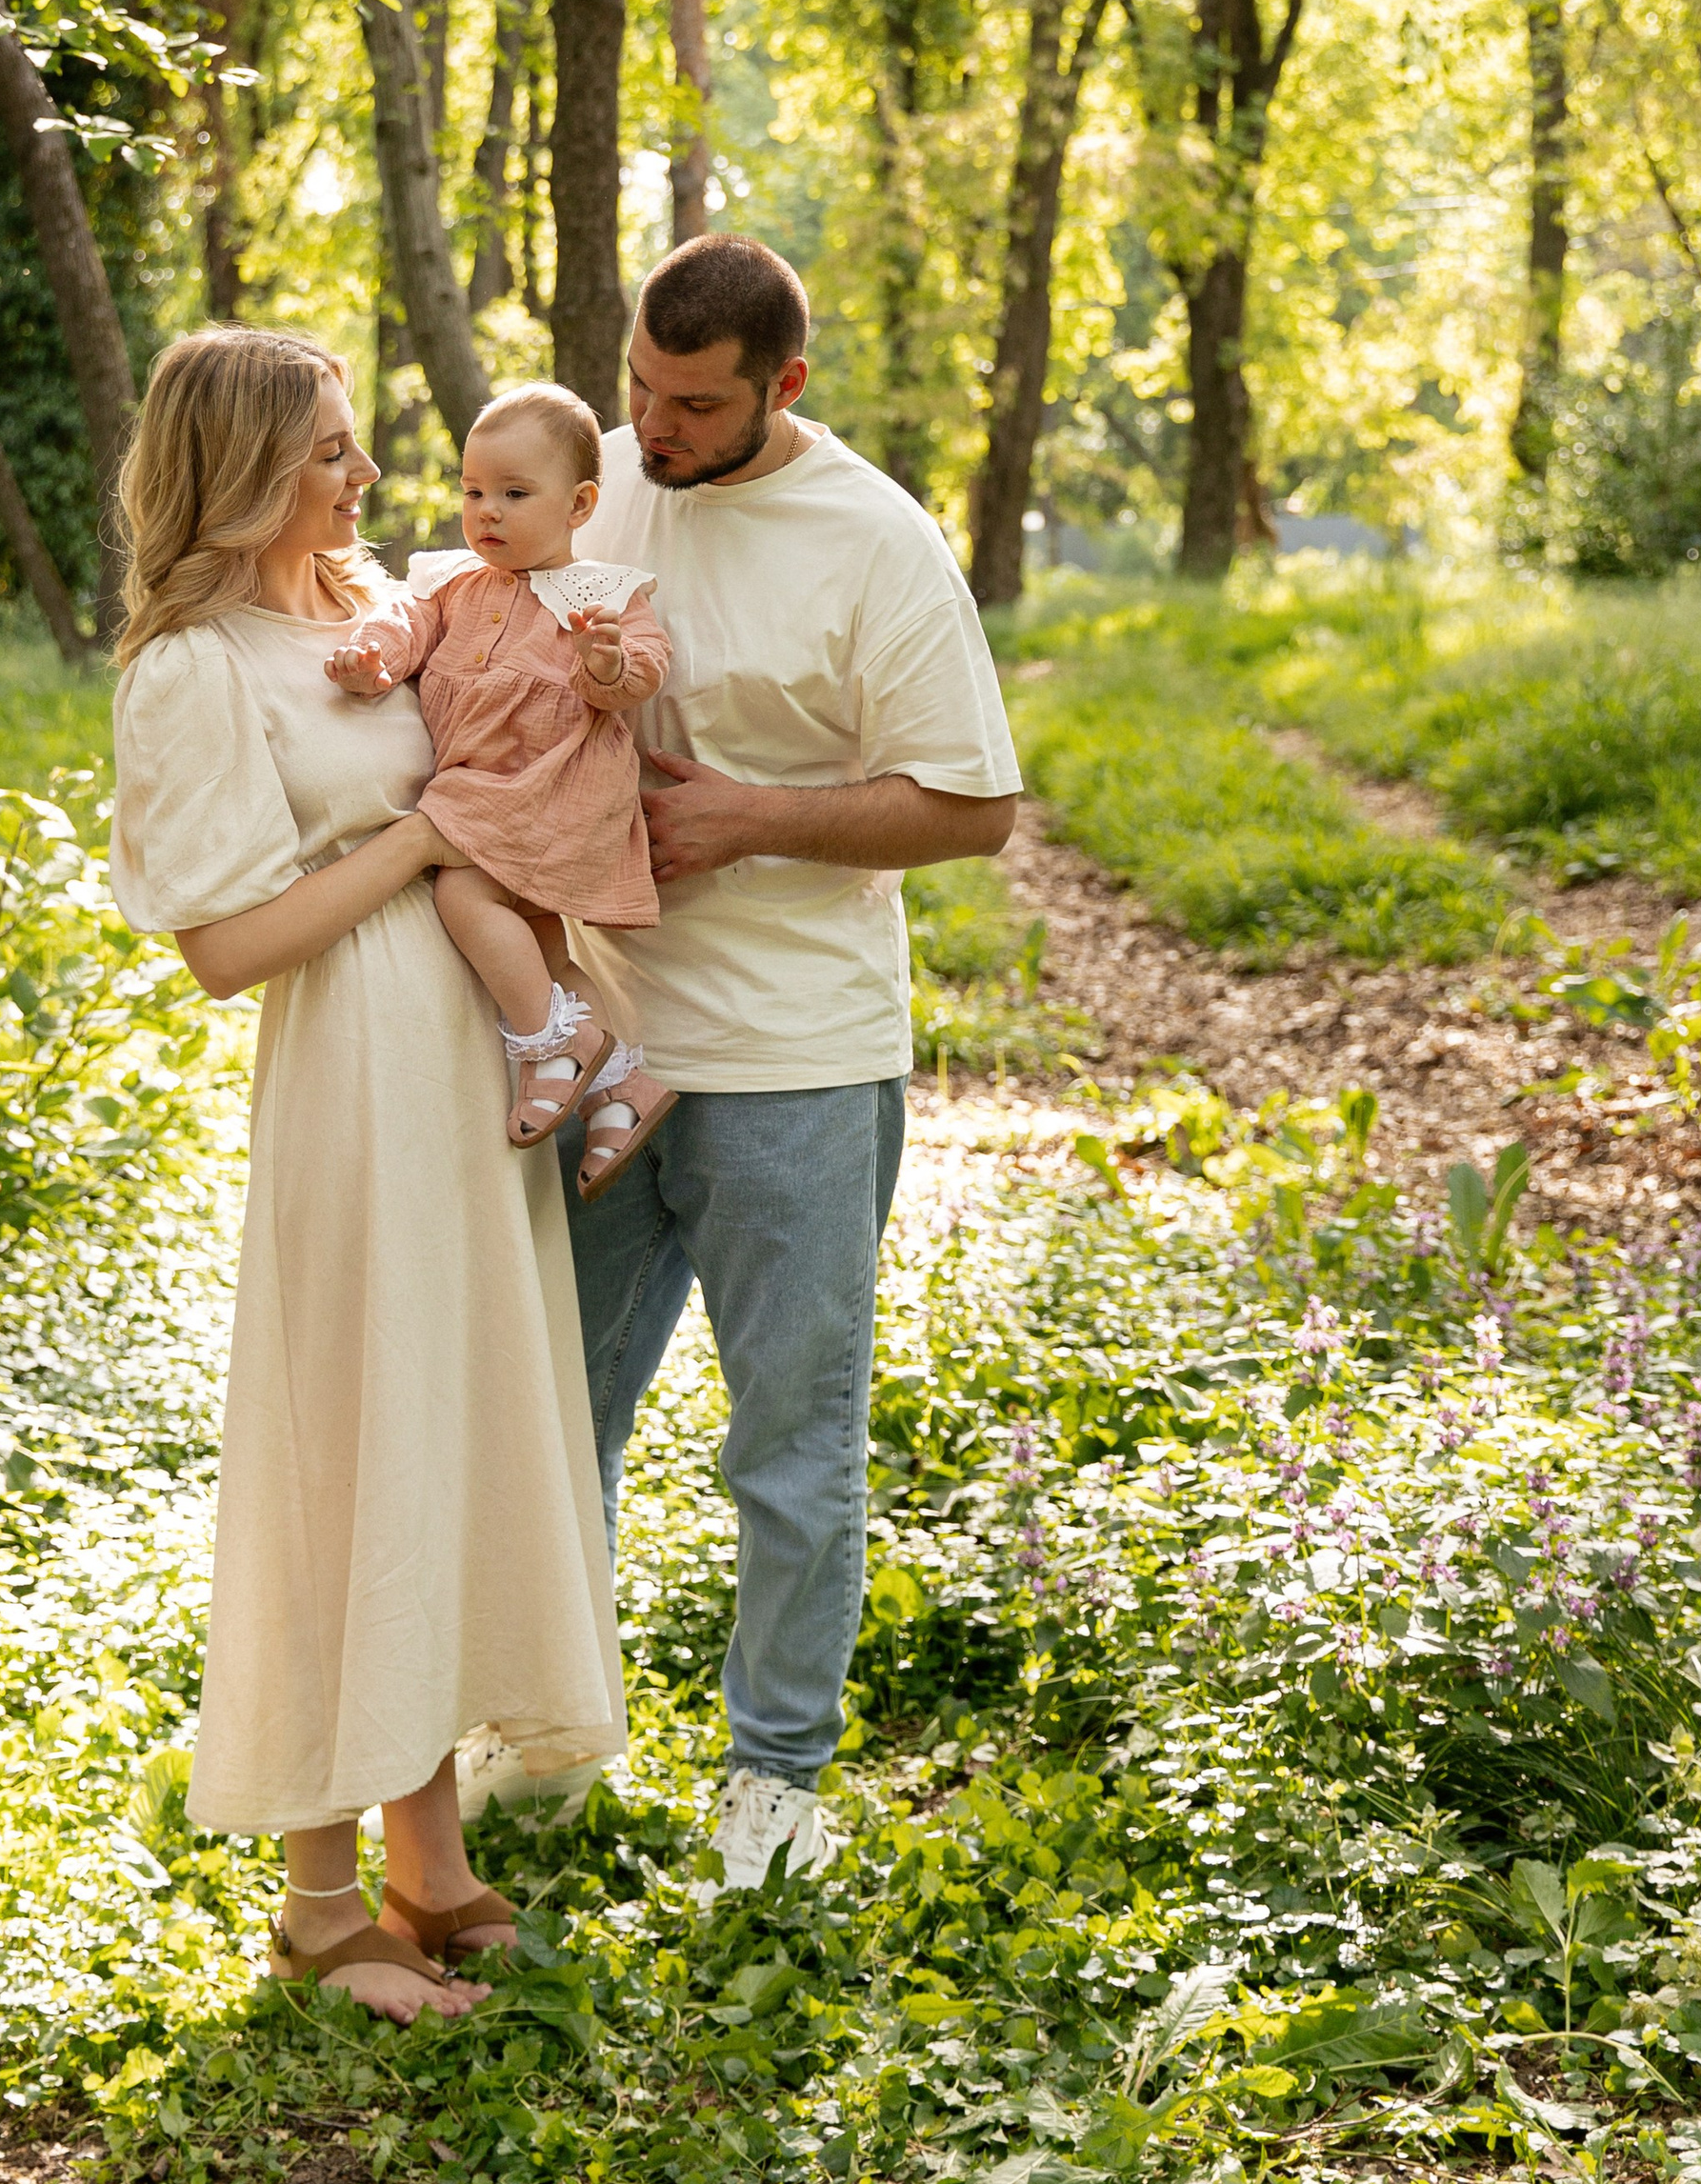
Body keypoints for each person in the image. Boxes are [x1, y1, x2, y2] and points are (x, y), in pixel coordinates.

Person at [107, 326, 625, 2021]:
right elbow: (224, 945)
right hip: (349, 1078)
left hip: (465, 1080)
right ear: (248, 468)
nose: (367, 471)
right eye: (331, 448)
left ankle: (433, 1861)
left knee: (440, 1433)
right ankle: (320, 1905)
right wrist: (419, 839)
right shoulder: (198, 666)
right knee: (346, 1446)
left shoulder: (383, 606)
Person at [560, 235, 1021, 1892]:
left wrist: (748, 818)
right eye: (641, 387)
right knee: (552, 1421)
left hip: (800, 1063)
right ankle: (550, 1730)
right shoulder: (598, 485)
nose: (656, 429)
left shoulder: (876, 539)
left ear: (785, 385)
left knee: (789, 1448)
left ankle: (775, 1782)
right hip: (600, 1046)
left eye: (695, 405)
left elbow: (973, 806)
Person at [326, 381, 676, 1196]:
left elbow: (645, 667)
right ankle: (622, 1085)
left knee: (463, 894)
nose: (487, 512)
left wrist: (607, 664)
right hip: (493, 795)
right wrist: (372, 658)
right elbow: (406, 627)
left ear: (579, 504)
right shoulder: (451, 581)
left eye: (515, 495)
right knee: (546, 948)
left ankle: (549, 1042)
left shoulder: (603, 596)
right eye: (473, 491)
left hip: (549, 792)